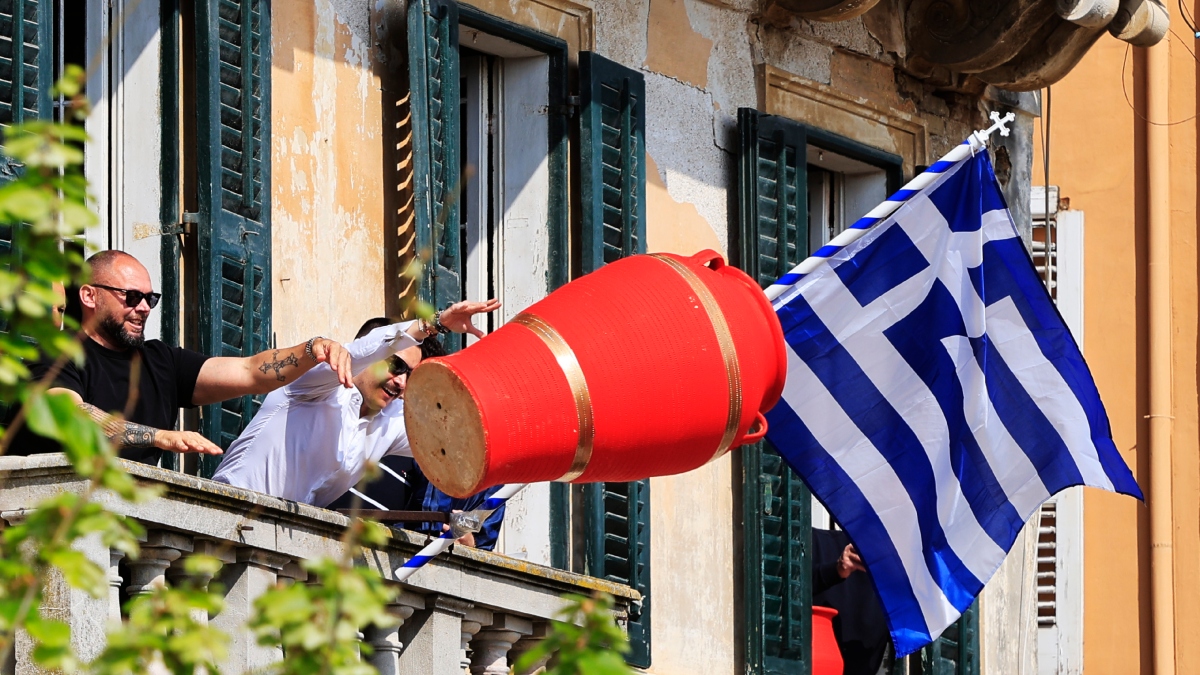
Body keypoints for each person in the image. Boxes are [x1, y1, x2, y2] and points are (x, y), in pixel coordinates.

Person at [13, 250, 355, 465]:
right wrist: (160, 436)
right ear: (89, 295)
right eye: (131, 296)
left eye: (150, 298)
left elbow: (252, 372)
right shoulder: (57, 354)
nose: (144, 308)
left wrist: (313, 350)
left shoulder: (160, 361)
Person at [211, 300, 499, 507]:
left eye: (410, 375)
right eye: (395, 366)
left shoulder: (391, 422)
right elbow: (361, 350)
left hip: (275, 549)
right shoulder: (316, 384)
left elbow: (456, 440)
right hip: (226, 513)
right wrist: (433, 324)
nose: (401, 382)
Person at [327, 336, 506, 551]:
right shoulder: (378, 423)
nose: (401, 384)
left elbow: (481, 542)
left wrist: (466, 539)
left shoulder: (488, 475)